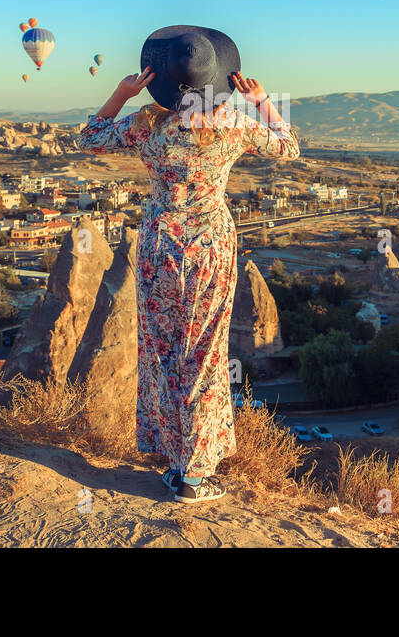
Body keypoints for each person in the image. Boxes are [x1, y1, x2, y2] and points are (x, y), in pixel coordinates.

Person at [77, 26, 298, 503]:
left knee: (162, 352)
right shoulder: (234, 123)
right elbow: (289, 147)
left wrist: (121, 91)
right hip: (209, 246)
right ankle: (194, 475)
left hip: (159, 244)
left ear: (164, 76)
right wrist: (262, 102)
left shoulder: (148, 123)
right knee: (204, 353)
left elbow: (89, 139)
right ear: (216, 76)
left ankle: (175, 460)